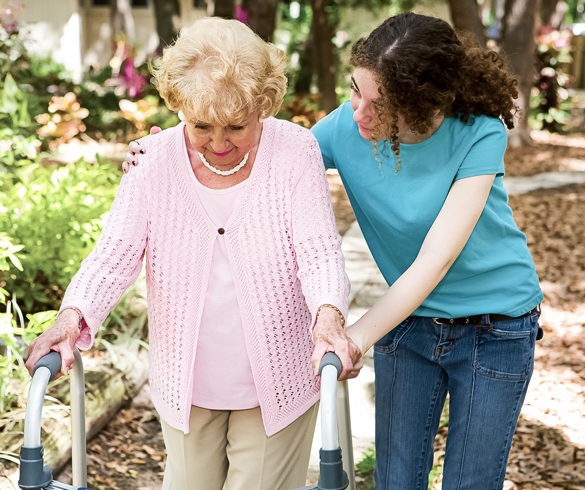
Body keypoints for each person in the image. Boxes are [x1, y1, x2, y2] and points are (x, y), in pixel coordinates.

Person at [126, 12, 543, 490]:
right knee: (396, 481)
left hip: (496, 325)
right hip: (410, 322)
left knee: (469, 482)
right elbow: (262, 147)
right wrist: (168, 152)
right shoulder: (348, 125)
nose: (358, 113)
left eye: (378, 104)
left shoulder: (479, 131)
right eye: (353, 90)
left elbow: (437, 259)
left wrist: (350, 337)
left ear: (422, 103)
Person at [25, 17, 362, 490]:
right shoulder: (151, 161)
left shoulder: (294, 150)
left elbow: (318, 250)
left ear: (262, 106)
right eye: (201, 125)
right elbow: (113, 255)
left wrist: (329, 317)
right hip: (187, 386)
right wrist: (69, 318)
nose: (219, 143)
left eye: (236, 126)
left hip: (279, 382)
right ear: (179, 105)